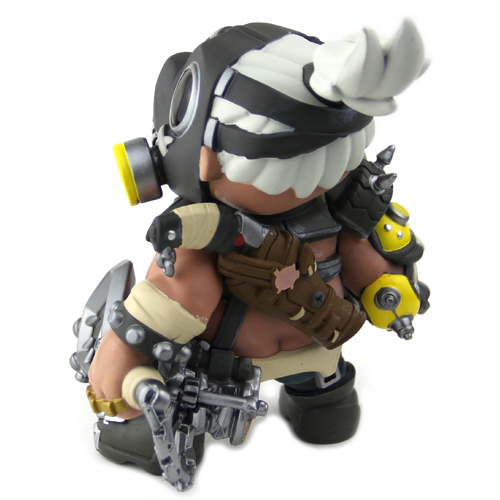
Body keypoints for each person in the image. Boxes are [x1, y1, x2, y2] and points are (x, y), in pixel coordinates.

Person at [83, 20, 430, 484]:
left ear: (205, 158)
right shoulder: (211, 232)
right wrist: (123, 356)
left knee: (323, 412)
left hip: (288, 353)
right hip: (247, 370)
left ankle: (320, 402)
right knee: (175, 422)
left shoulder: (331, 210)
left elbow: (365, 264)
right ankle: (318, 403)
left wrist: (115, 367)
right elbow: (167, 306)